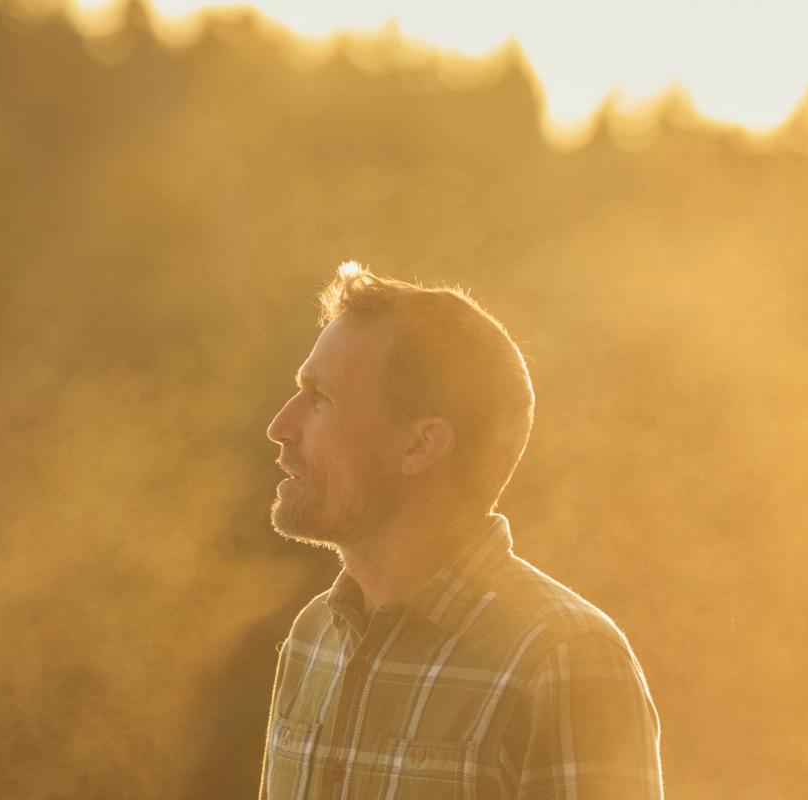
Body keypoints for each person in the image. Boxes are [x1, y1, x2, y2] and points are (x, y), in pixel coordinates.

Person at [259, 264, 662, 799]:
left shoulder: (563, 658)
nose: (280, 427)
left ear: (420, 446)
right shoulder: (313, 639)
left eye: (320, 398)